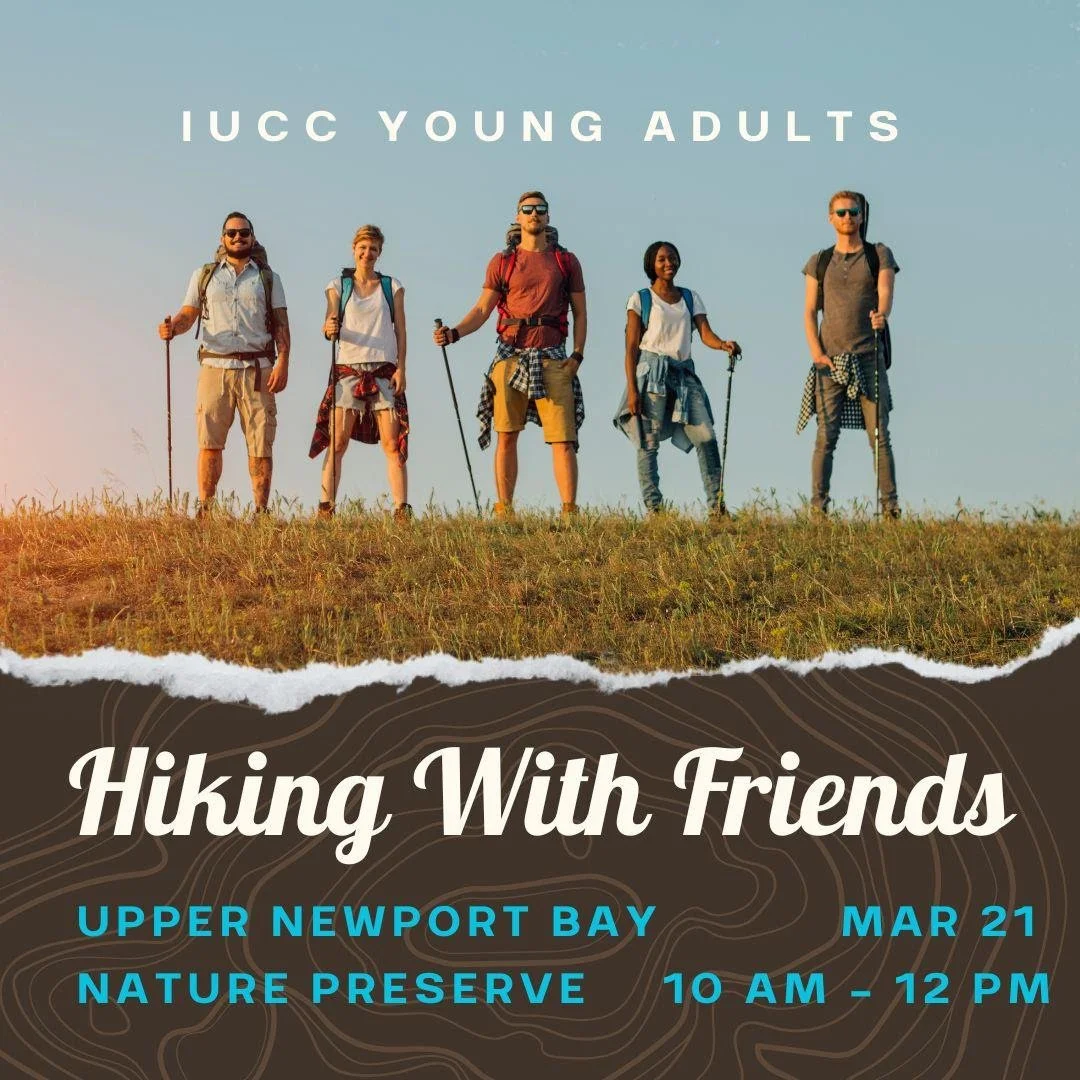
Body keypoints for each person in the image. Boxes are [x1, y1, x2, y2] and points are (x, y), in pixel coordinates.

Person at [432, 191, 586, 518]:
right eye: (527, 210)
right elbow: (482, 308)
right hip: (511, 354)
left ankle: (569, 512)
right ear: (518, 216)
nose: (534, 215)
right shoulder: (502, 262)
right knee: (506, 434)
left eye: (540, 210)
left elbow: (581, 312)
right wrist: (454, 333)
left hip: (554, 356)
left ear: (548, 216)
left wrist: (577, 357)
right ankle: (504, 509)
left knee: (563, 438)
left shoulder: (566, 261)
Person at [157, 212, 289, 516]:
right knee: (209, 440)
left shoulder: (268, 278)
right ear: (222, 238)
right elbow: (188, 314)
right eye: (231, 233)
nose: (238, 238)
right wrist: (172, 327)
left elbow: (281, 324)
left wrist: (283, 362)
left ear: (253, 237)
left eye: (244, 233)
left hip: (258, 367)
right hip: (215, 366)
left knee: (261, 443)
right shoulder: (204, 275)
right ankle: (205, 507)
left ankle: (261, 511)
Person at [614, 242, 740, 515]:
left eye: (672, 257)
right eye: (661, 259)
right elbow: (631, 348)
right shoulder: (640, 299)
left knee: (705, 437)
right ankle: (655, 509)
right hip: (651, 372)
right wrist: (632, 391)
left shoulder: (690, 297)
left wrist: (723, 345)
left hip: (684, 373)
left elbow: (706, 334)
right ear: (652, 264)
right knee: (648, 441)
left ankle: (717, 508)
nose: (668, 263)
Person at [797, 190, 899, 517]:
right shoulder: (819, 261)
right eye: (840, 213)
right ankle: (819, 511)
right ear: (830, 218)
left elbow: (884, 291)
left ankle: (890, 510)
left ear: (862, 216)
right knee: (825, 437)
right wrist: (817, 353)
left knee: (879, 436)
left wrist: (881, 314)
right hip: (830, 360)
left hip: (868, 356)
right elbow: (809, 311)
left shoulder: (878, 254)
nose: (847, 218)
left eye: (853, 212)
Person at [307, 225, 410, 520]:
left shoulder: (393, 286)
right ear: (354, 249)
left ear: (380, 253)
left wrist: (402, 368)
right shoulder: (339, 286)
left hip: (383, 368)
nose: (368, 254)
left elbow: (401, 330)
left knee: (392, 441)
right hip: (348, 368)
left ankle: (401, 509)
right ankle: (326, 507)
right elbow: (329, 321)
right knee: (338, 441)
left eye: (374, 249)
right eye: (363, 248)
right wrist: (328, 328)